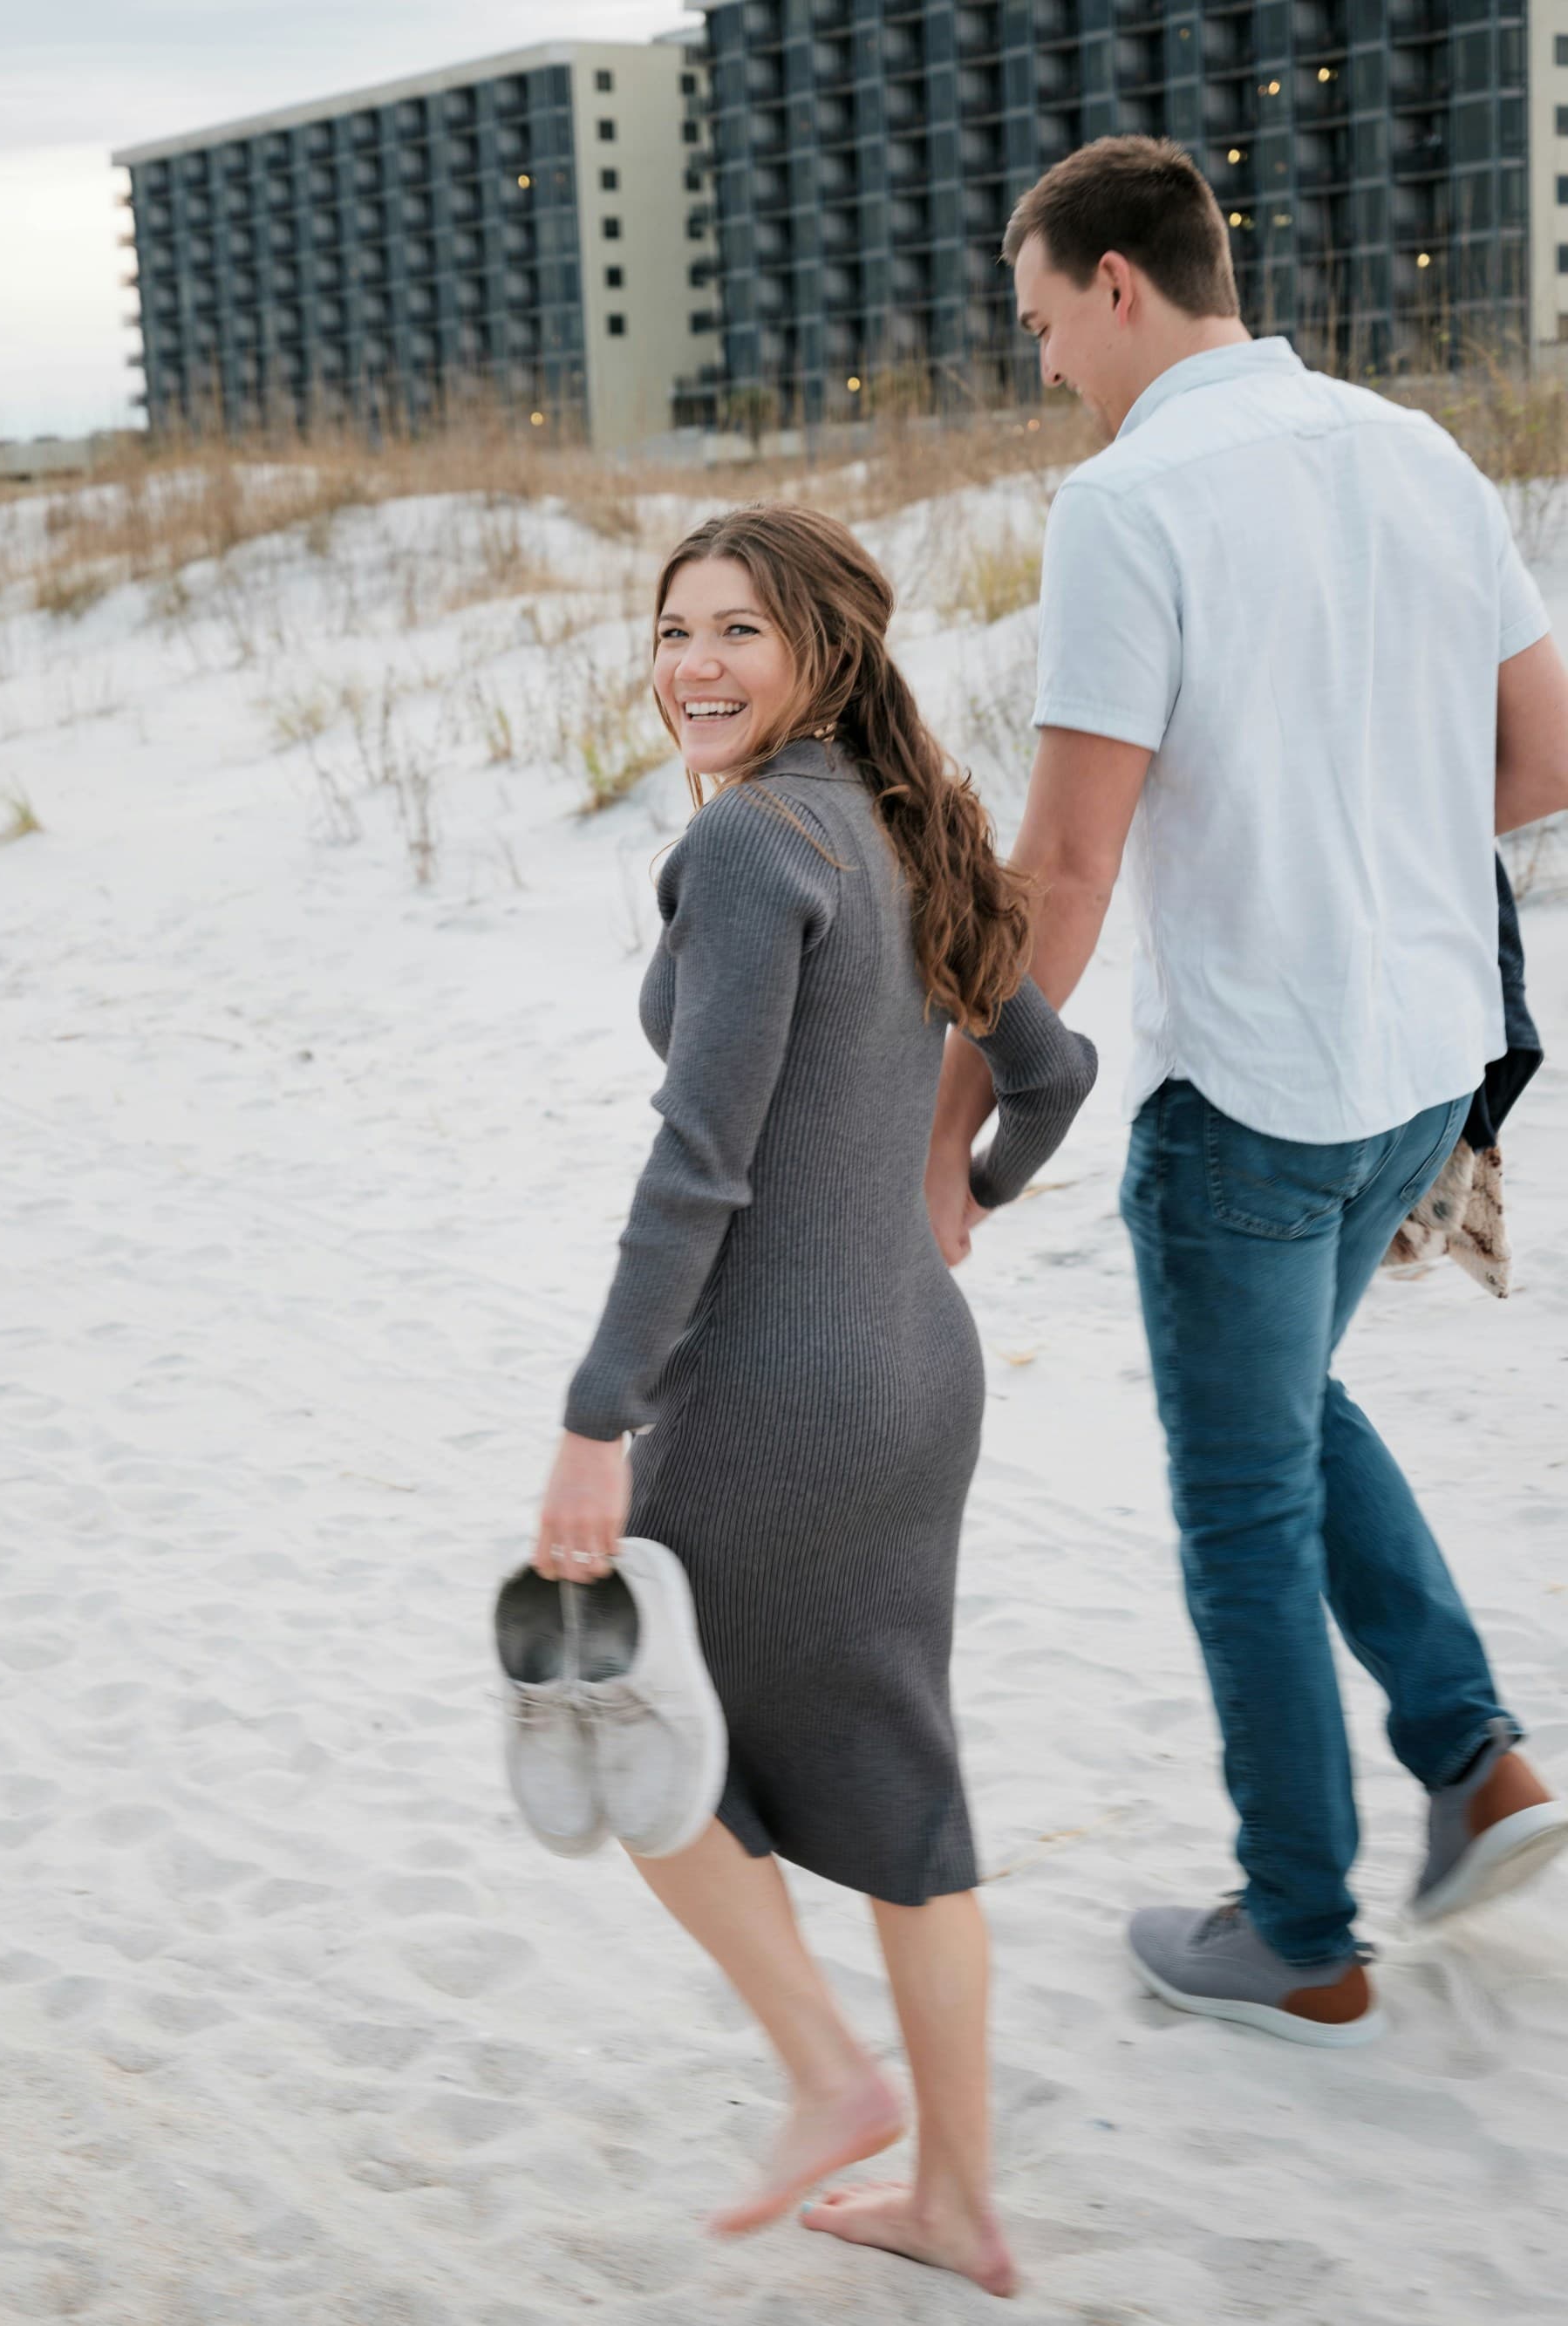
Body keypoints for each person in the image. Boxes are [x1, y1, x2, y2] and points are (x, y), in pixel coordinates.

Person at [925, 136, 1568, 2048]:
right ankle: (1476, 1764)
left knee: (1238, 1506)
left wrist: (945, 1127)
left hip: (1260, 1096)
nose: (1041, 363)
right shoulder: (1412, 449)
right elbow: (1543, 755)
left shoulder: (1133, 503)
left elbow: (1062, 870)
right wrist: (1367, 837)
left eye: (1042, 323)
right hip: (1427, 1063)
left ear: (1117, 285)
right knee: (1292, 1405)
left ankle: (1297, 1926)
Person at [535, 504, 1097, 2294]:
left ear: (822, 653)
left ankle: (827, 2072)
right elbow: (1052, 1067)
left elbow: (696, 1173)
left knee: (614, 1710)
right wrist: (970, 1196)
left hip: (776, 1389)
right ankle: (957, 2196)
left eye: (736, 633)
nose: (690, 664)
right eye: (670, 627)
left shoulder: (757, 850)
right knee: (897, 1784)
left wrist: (592, 1414)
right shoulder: (898, 822)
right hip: (920, 1371)